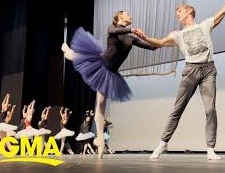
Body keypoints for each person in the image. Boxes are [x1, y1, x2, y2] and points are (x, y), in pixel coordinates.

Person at [133, 0, 225, 160]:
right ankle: (163, 143)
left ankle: (210, 149)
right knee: (177, 109)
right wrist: (144, 37)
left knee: (210, 109)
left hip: (208, 70)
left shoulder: (205, 25)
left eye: (179, 10)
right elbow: (161, 43)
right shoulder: (177, 35)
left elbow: (224, 10)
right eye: (177, 11)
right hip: (190, 71)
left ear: (189, 11)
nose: (177, 13)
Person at [61, 10, 157, 159]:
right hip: (101, 64)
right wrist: (132, 29)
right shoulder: (112, 29)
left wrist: (166, 42)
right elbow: (115, 30)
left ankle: (99, 139)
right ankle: (66, 50)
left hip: (110, 73)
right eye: (127, 13)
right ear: (119, 17)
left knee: (100, 104)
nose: (130, 15)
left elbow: (152, 47)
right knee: (78, 58)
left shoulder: (131, 39)